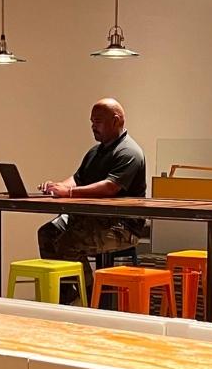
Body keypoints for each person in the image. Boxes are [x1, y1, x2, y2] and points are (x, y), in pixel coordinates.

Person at [37, 98, 147, 301]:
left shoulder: (130, 152)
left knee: (70, 241)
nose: (92, 126)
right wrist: (58, 187)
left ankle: (88, 296)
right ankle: (67, 293)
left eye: (98, 121)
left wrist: (69, 193)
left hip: (121, 226)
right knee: (48, 233)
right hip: (90, 219)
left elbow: (110, 187)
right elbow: (77, 179)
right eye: (92, 121)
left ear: (115, 121)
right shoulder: (96, 152)